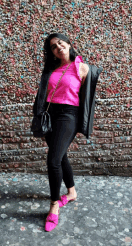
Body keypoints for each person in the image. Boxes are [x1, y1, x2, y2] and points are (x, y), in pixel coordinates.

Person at [32, 33, 103, 232]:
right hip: (50, 114)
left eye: (61, 43)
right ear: (52, 53)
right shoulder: (51, 69)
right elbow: (43, 94)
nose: (58, 48)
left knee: (53, 160)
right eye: (54, 47)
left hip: (68, 115)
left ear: (69, 44)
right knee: (61, 156)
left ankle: (54, 204)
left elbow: (87, 101)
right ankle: (71, 193)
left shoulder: (83, 68)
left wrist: (84, 123)